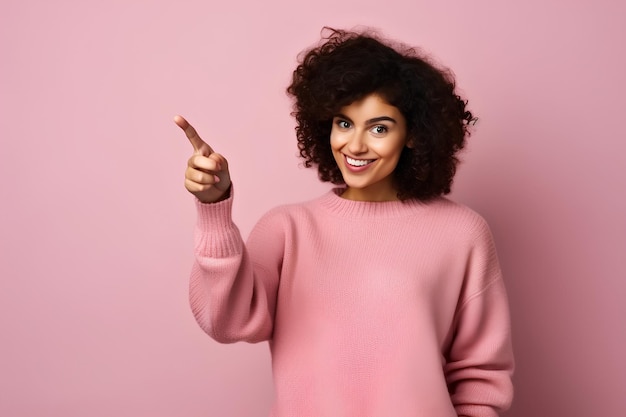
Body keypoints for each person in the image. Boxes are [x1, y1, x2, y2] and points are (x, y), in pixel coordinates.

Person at [175, 27, 514, 417]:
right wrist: (214, 205)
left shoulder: (463, 234)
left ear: (414, 136)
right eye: (344, 123)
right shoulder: (288, 228)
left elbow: (480, 375)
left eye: (380, 128)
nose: (354, 145)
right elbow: (225, 320)